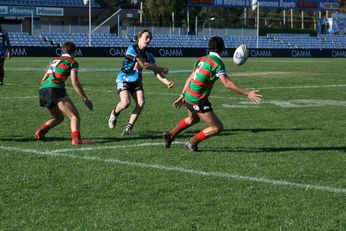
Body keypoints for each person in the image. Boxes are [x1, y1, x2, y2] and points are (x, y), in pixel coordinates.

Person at [162, 36, 262, 152]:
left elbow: (190, 77)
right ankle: (191, 142)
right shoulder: (217, 63)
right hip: (197, 100)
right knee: (217, 127)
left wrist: (182, 95)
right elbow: (227, 84)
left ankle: (170, 135)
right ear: (222, 48)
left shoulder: (202, 59)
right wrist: (247, 93)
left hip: (189, 96)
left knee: (192, 119)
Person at [108, 29, 174, 135]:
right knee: (126, 103)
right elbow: (144, 65)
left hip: (136, 81)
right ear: (139, 38)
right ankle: (114, 114)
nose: (148, 40)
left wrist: (166, 82)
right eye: (146, 37)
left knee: (141, 102)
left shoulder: (149, 55)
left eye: (150, 38)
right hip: (124, 78)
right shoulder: (132, 49)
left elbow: (155, 71)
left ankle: (128, 128)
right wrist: (162, 68)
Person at [34, 41, 93, 145]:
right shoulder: (72, 62)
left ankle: (42, 131)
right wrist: (85, 99)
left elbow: (43, 79)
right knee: (74, 116)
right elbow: (74, 82)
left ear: (62, 51)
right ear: (75, 52)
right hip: (55, 88)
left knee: (58, 117)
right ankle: (76, 139)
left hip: (43, 89)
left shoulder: (55, 60)